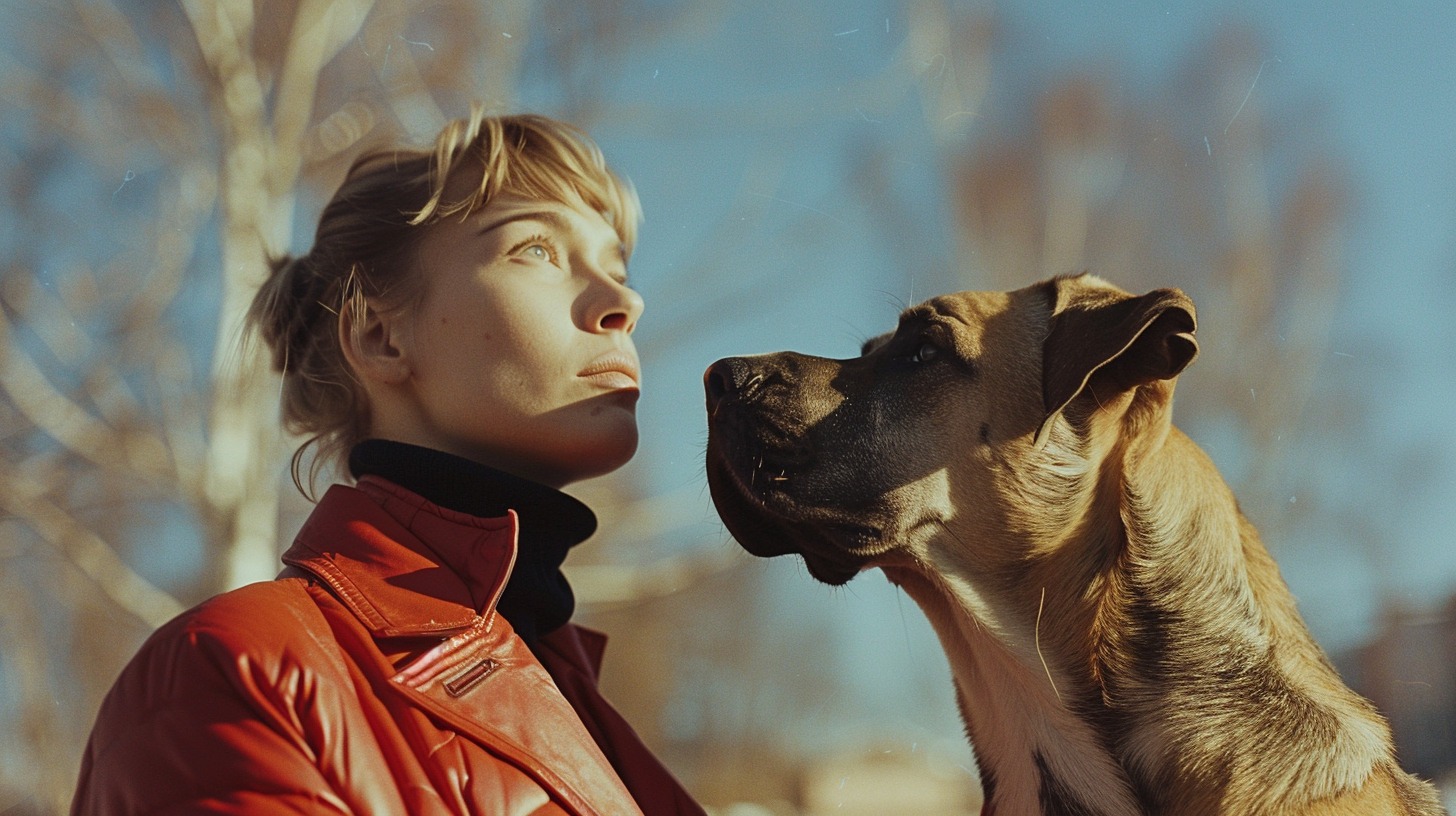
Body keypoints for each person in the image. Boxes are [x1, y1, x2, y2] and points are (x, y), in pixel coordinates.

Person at [72, 109, 707, 816]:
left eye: (617, 267)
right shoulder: (238, 671)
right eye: (537, 250)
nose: (625, 301)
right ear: (379, 336)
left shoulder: (572, 690)